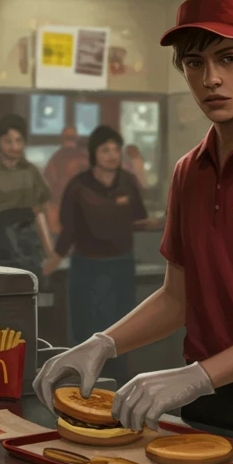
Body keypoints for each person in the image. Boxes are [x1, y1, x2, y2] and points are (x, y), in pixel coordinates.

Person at [32, 0, 233, 442]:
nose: (211, 79)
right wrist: (103, 343)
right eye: (194, 63)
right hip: (204, 400)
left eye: (227, 59)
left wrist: (198, 376)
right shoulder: (190, 170)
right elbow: (177, 297)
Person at [44, 125, 159, 377]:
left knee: (120, 332)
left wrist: (161, 222)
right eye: (105, 149)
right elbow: (69, 229)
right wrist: (52, 261)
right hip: (87, 267)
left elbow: (138, 219)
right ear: (94, 153)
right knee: (86, 330)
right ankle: (82, 385)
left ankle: (117, 386)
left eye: (116, 149)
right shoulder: (78, 185)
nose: (112, 155)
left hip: (121, 266)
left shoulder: (127, 182)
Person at [0, 114, 55, 281]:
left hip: (28, 243)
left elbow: (41, 212)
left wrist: (50, 252)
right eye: (8, 141)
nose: (14, 146)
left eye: (19, 141)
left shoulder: (31, 171)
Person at [43, 125, 89, 234]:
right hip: (59, 202)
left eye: (71, 136)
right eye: (68, 136)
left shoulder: (84, 157)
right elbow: (49, 180)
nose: (70, 138)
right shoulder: (56, 158)